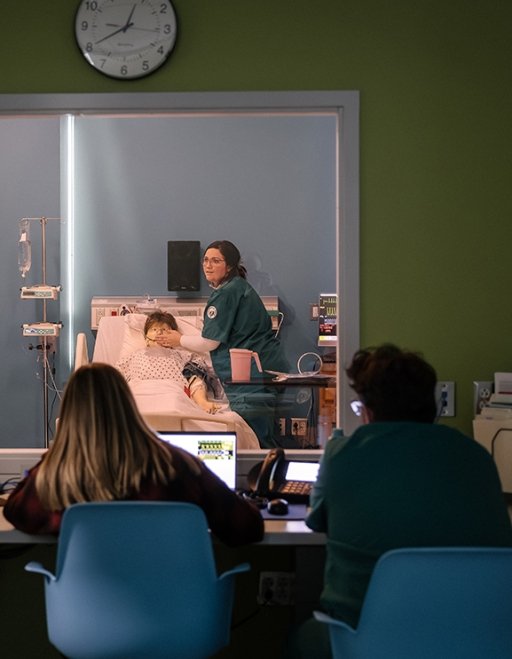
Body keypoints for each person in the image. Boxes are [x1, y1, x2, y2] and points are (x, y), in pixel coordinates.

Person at [286, 344, 512, 659]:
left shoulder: (343, 455)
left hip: (366, 643)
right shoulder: (476, 457)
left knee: (303, 638)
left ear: (368, 410)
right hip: (472, 638)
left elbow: (316, 520)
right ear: (431, 405)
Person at [4, 363, 264, 546]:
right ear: (128, 404)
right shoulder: (176, 467)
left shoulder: (53, 478)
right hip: (176, 613)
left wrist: (53, 460)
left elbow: (16, 511)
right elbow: (246, 528)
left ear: (70, 414)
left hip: (85, 615)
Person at [158, 240, 289, 448]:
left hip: (251, 375)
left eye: (216, 261)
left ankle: (262, 478)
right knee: (260, 436)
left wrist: (178, 340)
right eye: (206, 260)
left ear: (229, 266)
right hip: (260, 369)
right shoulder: (238, 288)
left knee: (255, 440)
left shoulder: (226, 294)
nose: (208, 265)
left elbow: (209, 342)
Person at [116, 311, 221, 415]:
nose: (159, 333)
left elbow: (200, 368)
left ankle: (202, 402)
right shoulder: (135, 355)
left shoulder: (181, 354)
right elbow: (114, 374)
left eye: (164, 330)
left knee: (196, 376)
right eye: (154, 329)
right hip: (140, 391)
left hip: (173, 392)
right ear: (146, 338)